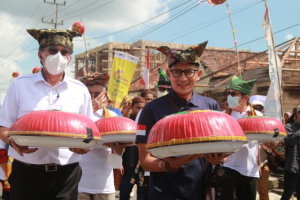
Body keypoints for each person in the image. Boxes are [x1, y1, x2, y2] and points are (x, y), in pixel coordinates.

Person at [0, 29, 92, 200]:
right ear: (40, 55)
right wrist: (13, 141)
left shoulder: (80, 90)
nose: (59, 55)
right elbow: (3, 126)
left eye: (64, 52)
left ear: (70, 57)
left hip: (66, 176)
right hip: (26, 173)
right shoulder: (20, 85)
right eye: (52, 50)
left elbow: (89, 132)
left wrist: (85, 146)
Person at [136, 41, 226, 200]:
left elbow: (222, 149)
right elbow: (145, 161)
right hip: (164, 193)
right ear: (169, 74)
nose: (183, 78)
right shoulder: (151, 110)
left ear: (198, 75)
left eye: (189, 72)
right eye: (177, 72)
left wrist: (219, 160)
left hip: (203, 192)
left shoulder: (211, 106)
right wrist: (169, 165)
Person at [78, 73, 128, 200]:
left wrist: (119, 149)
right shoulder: (77, 115)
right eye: (89, 94)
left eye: (97, 94)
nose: (93, 98)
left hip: (104, 186)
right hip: (79, 184)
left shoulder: (112, 116)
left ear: (105, 96)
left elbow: (118, 153)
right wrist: (89, 111)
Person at [221, 76, 263, 200]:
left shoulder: (258, 116)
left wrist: (259, 164)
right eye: (228, 93)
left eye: (233, 94)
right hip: (229, 167)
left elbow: (258, 144)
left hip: (250, 171)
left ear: (245, 97)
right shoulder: (223, 116)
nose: (229, 96)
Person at [120, 96, 146, 200]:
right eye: (137, 107)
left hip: (142, 166)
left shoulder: (147, 122)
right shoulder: (125, 122)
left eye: (143, 108)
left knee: (142, 195)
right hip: (127, 166)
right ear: (132, 108)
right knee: (124, 193)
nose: (140, 110)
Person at [251, 98, 269, 200]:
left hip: (263, 163)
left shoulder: (267, 124)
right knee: (250, 193)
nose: (257, 110)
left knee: (263, 191)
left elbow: (268, 146)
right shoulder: (246, 123)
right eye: (255, 108)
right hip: (249, 164)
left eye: (260, 108)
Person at [280, 105, 300, 200]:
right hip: (292, 167)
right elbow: (292, 141)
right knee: (287, 195)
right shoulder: (289, 127)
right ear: (297, 114)